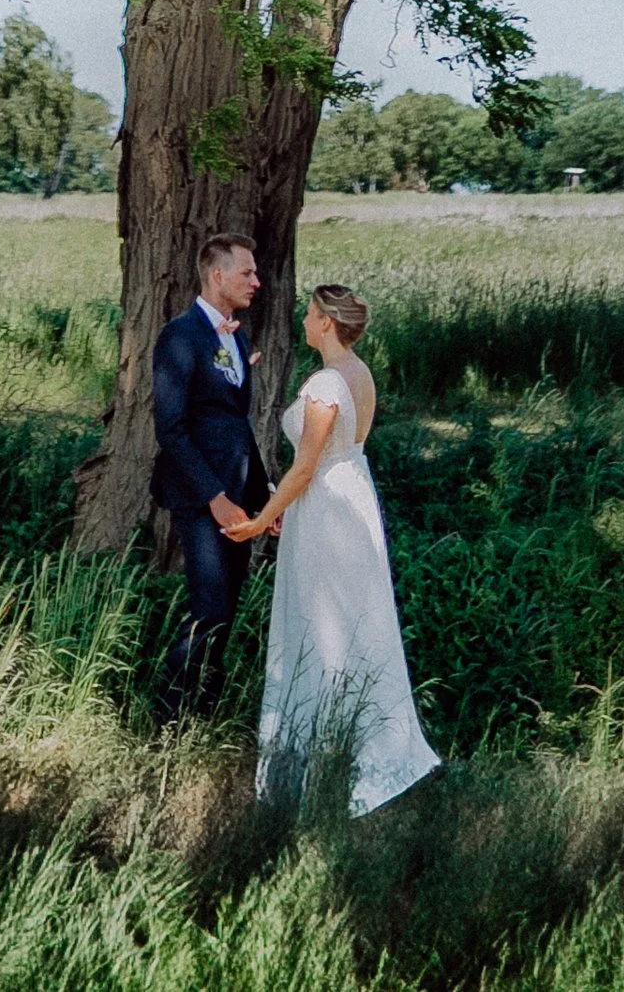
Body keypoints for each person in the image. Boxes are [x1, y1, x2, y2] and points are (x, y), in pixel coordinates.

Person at [222, 280, 438, 813]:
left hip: (327, 510)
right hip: (350, 494)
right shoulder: (357, 373)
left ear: (325, 322)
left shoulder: (325, 383)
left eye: (309, 314)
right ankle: (343, 744)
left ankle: (325, 758)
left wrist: (260, 520)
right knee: (353, 622)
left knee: (321, 625)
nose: (303, 321)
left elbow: (306, 466)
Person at [149, 231, 273, 722]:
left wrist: (264, 494)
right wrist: (215, 497)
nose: (257, 282)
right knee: (209, 609)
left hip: (240, 498)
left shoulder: (235, 335)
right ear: (217, 274)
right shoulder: (179, 336)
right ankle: (168, 723)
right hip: (202, 497)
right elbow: (172, 430)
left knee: (226, 612)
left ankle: (206, 716)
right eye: (247, 272)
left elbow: (236, 424)